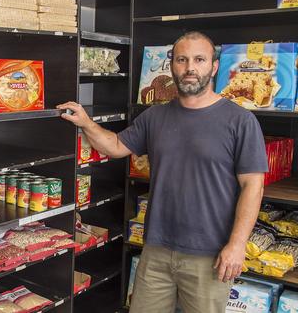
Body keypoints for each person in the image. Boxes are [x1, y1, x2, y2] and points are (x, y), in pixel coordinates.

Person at [58, 31, 268, 313]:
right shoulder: (154, 116)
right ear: (172, 66)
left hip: (210, 254)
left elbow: (253, 186)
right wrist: (86, 122)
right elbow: (117, 145)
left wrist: (237, 244)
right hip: (156, 249)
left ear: (214, 67)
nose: (190, 68)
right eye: (182, 60)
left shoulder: (240, 121)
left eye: (199, 59)